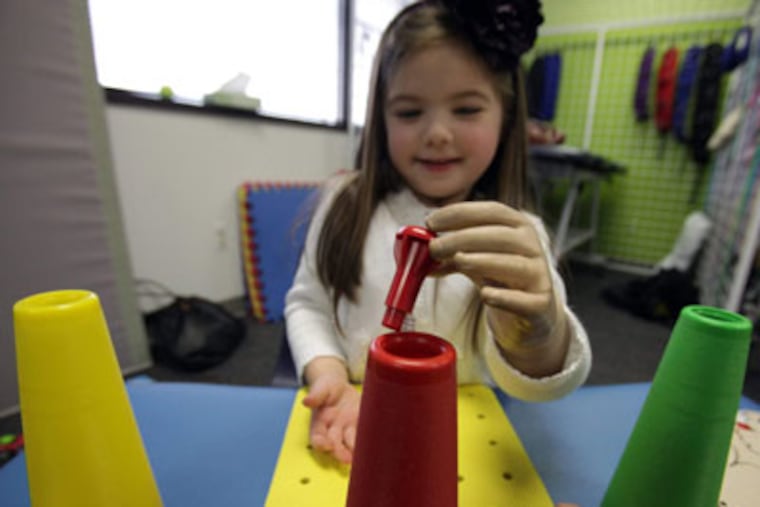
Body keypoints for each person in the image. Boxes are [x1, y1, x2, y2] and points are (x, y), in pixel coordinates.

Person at [285, 0, 591, 471]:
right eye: (409, 113)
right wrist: (328, 373)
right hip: (355, 431)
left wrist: (537, 337)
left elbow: (547, 382)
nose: (437, 133)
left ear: (507, 118)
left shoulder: (518, 236)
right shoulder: (342, 203)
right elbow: (308, 304)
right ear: (381, 117)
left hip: (466, 447)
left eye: (466, 109)